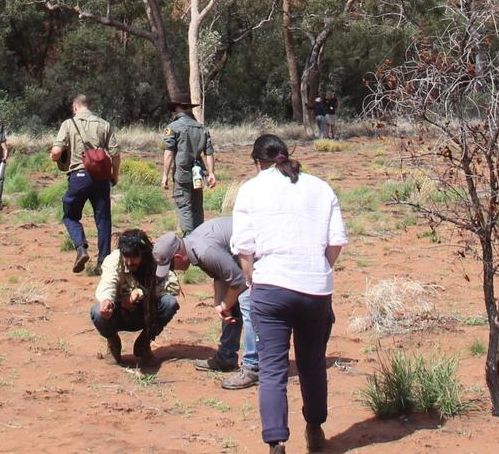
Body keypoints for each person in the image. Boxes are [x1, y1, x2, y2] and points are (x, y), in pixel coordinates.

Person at [231, 134, 348, 454]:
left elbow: (244, 247)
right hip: (315, 289)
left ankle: (276, 442)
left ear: (258, 162)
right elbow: (335, 241)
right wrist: (319, 268)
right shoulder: (321, 187)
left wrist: (253, 279)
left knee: (272, 369)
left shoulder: (251, 189)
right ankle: (315, 427)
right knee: (312, 363)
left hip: (271, 288)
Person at [152, 218, 260, 389]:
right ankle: (226, 357)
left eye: (171, 266)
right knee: (231, 304)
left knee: (247, 301)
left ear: (178, 257)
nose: (174, 271)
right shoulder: (193, 247)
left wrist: (225, 303)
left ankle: (253, 366)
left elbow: (239, 281)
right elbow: (220, 275)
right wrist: (220, 303)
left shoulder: (204, 251)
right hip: (242, 260)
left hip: (258, 254)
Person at [51, 94, 121, 273]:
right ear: (88, 106)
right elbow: (115, 154)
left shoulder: (68, 124)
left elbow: (57, 151)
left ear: (75, 107)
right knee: (103, 220)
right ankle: (103, 261)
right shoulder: (104, 124)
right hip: (101, 179)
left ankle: (81, 247)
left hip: (78, 176)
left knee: (70, 216)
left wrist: (53, 156)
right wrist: (115, 175)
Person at [90, 229, 180, 366]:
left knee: (170, 303)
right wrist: (110, 301)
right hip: (119, 313)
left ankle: (144, 343)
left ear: (143, 253)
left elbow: (173, 286)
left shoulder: (155, 259)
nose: (130, 261)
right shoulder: (114, 260)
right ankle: (113, 343)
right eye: (127, 256)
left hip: (146, 313)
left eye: (135, 257)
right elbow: (108, 282)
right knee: (97, 312)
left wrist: (143, 293)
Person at [160, 98, 217, 234]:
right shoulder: (202, 127)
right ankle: (199, 239)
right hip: (198, 174)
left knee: (184, 206)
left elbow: (169, 153)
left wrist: (165, 175)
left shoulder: (173, 127)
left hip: (182, 174)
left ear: (179, 108)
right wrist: (211, 173)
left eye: (175, 108)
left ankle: (189, 241)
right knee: (197, 207)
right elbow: (209, 153)